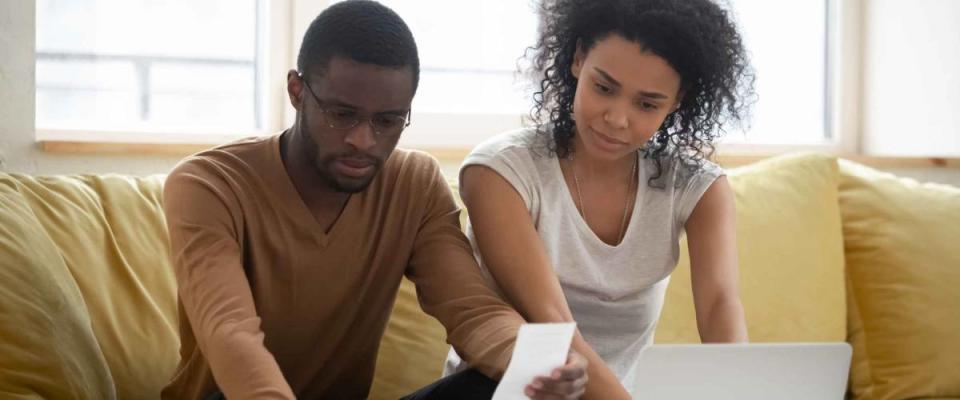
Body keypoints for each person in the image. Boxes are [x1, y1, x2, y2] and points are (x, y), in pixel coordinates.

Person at [160, 1, 587, 399]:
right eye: (341, 114)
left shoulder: (413, 184)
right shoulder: (208, 186)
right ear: (296, 91)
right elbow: (230, 333)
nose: (363, 141)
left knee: (485, 386)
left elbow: (472, 311)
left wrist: (536, 366)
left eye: (387, 121)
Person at [445, 0, 755, 398]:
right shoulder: (500, 173)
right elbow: (554, 324)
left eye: (646, 104)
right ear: (578, 60)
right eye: (604, 88)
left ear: (678, 101)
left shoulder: (697, 187)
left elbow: (720, 308)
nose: (616, 118)